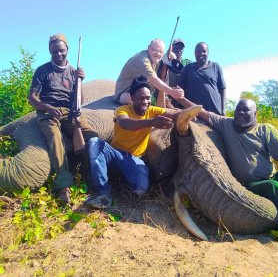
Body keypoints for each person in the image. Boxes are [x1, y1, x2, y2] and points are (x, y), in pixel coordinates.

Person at [178, 97, 278, 230]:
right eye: (238, 109)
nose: (241, 113)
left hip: (274, 177)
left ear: (255, 114)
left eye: (246, 110)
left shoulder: (265, 130)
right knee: (273, 187)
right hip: (252, 186)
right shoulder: (226, 124)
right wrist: (180, 98)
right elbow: (202, 112)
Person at [85, 76, 182, 209]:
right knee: (94, 142)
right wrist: (152, 122)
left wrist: (186, 114)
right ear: (132, 97)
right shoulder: (123, 110)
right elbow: (124, 123)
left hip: (134, 159)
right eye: (141, 98)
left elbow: (172, 113)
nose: (145, 101)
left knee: (141, 188)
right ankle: (103, 194)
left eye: (148, 98)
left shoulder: (152, 110)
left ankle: (120, 178)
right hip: (115, 154)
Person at [28, 34, 98, 203]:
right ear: (49, 52)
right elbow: (32, 97)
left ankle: (93, 177)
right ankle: (63, 186)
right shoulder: (42, 71)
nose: (58, 55)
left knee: (91, 136)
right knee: (56, 139)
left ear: (67, 49)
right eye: (54, 52)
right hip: (48, 113)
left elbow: (79, 101)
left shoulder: (73, 72)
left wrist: (80, 81)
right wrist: (48, 108)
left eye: (61, 51)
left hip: (68, 112)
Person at [114, 38, 184, 105]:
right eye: (155, 50)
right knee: (142, 99)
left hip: (141, 91)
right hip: (125, 93)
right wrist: (172, 92)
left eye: (161, 52)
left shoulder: (156, 57)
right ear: (148, 48)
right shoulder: (143, 59)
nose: (158, 54)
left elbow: (174, 65)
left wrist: (173, 58)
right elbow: (153, 79)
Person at [179, 42, 226, 115]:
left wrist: (223, 109)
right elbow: (180, 89)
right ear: (195, 53)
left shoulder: (216, 66)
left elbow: (222, 88)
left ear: (208, 52)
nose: (201, 53)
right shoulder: (188, 68)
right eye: (198, 51)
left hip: (215, 113)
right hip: (195, 114)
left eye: (204, 51)